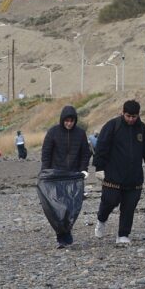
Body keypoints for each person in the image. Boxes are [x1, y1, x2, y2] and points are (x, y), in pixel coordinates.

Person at [93, 100, 145, 246]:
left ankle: (123, 234)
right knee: (109, 201)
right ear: (122, 112)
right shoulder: (112, 126)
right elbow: (101, 147)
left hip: (134, 178)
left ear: (138, 115)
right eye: (128, 116)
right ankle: (101, 220)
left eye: (134, 116)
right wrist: (99, 168)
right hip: (113, 176)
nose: (131, 119)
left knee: (129, 207)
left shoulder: (142, 129)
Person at [41, 105, 92, 248]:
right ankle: (62, 237)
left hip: (74, 177)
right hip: (56, 177)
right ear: (62, 120)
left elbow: (85, 153)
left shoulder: (80, 134)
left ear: (75, 120)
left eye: (72, 121)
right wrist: (45, 171)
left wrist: (84, 169)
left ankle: (66, 232)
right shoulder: (53, 132)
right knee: (58, 208)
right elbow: (46, 153)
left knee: (72, 208)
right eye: (67, 121)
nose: (69, 123)